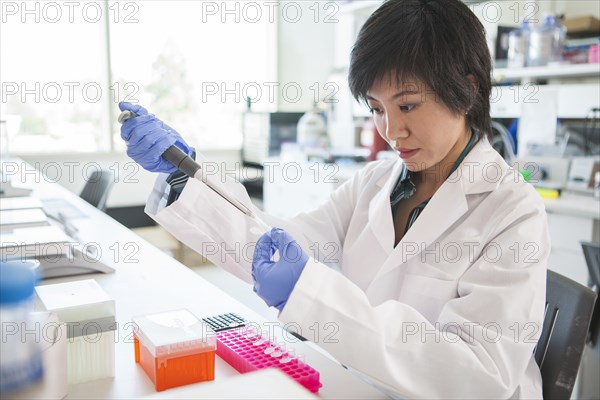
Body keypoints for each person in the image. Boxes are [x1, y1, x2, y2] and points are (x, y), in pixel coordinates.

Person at [119, 0, 550, 397]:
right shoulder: (376, 182)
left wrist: (312, 296)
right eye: (377, 108)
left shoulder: (513, 212)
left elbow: (479, 374)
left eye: (409, 106)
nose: (390, 131)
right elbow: (279, 245)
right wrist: (185, 174)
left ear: (467, 90)